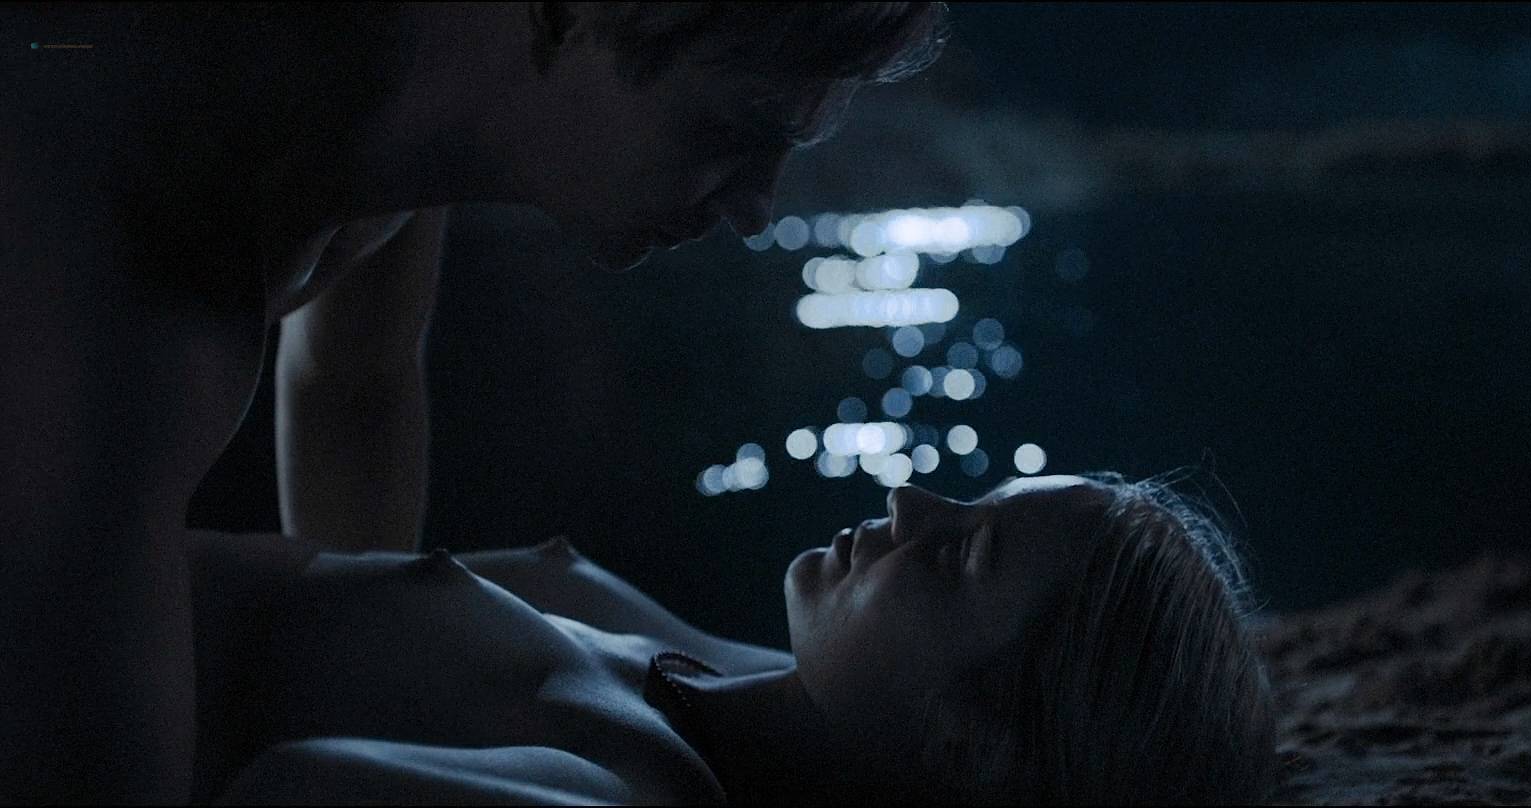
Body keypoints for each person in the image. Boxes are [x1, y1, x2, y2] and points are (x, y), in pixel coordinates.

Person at [0, 4, 946, 802]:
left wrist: (388, 682)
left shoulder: (393, 109)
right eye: (731, 130)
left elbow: (353, 390)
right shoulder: (130, 248)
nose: (758, 208)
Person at [189, 473, 1283, 805]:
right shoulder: (748, 691)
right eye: (971, 498)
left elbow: (291, 791)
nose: (910, 503)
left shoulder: (627, 789)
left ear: (974, 748)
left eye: (959, 556)